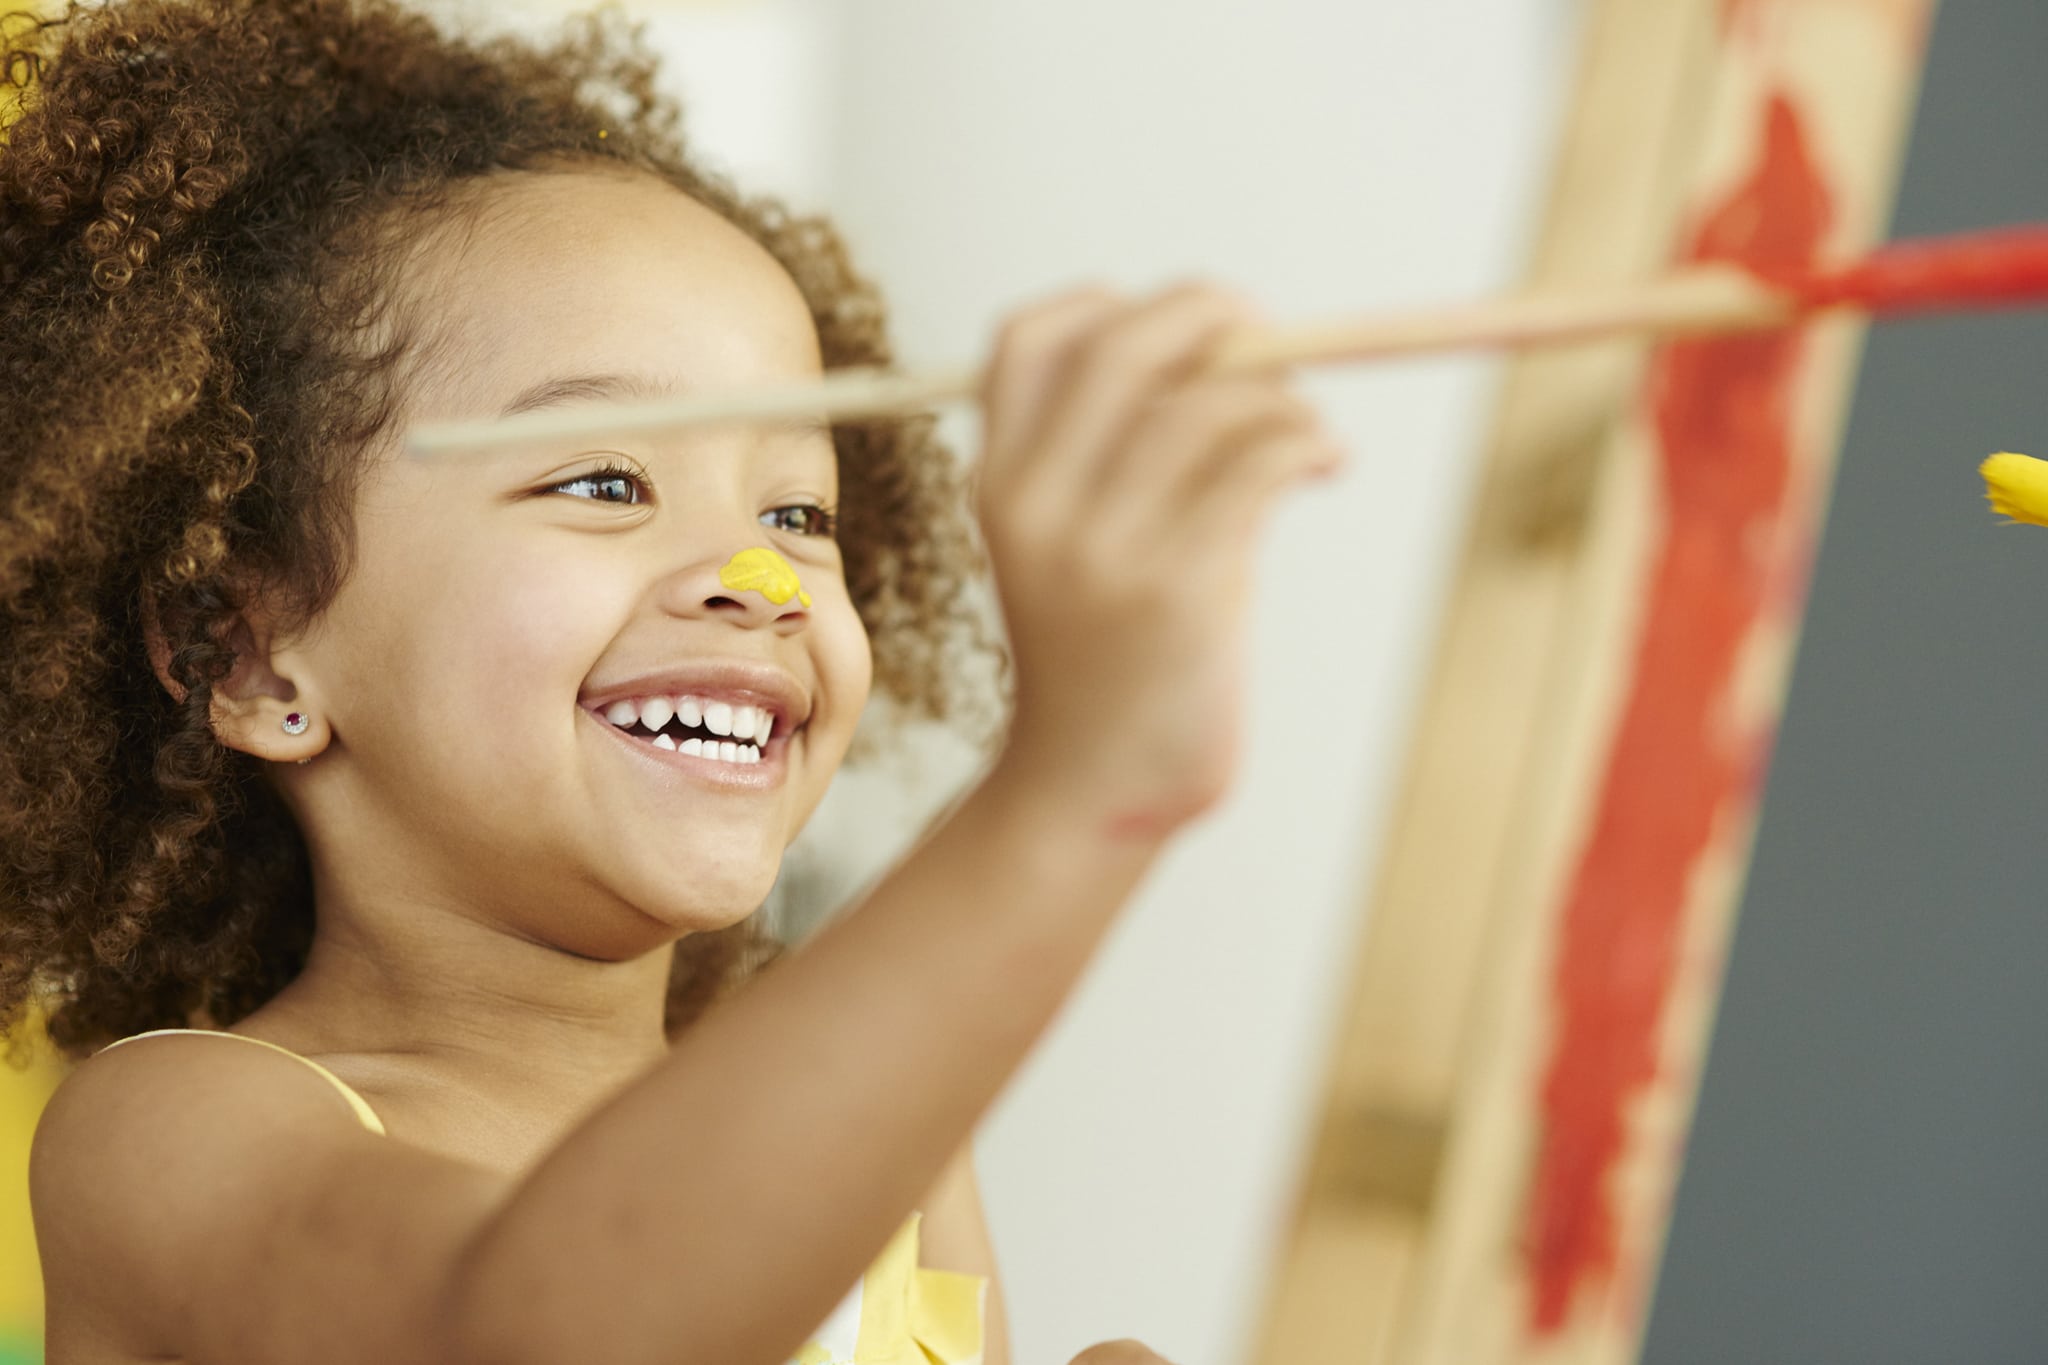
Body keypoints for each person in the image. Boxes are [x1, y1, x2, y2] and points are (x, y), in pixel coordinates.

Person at [0, 2, 1344, 1362]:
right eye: (603, 480)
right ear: (246, 653)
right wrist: (1067, 791)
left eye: (800, 516)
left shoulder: (880, 1151)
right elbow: (538, 1325)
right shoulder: (168, 1134)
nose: (760, 579)